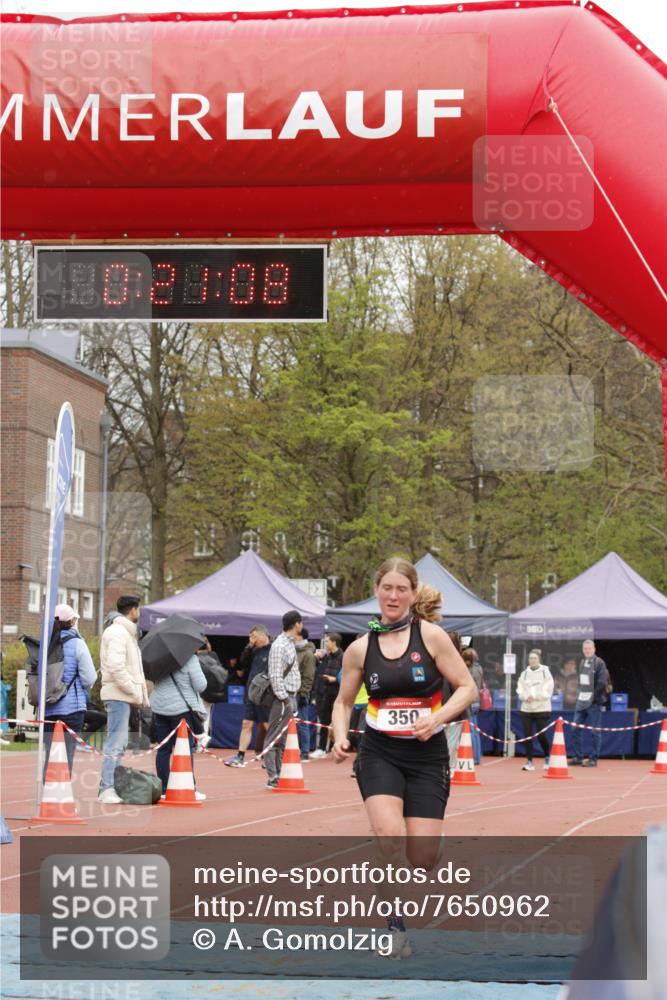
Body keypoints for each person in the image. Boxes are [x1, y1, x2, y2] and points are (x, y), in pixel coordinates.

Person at [332, 557, 477, 958]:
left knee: (422, 857)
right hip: (380, 752)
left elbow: (466, 688)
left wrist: (438, 718)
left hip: (427, 755)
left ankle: (430, 841)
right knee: (387, 836)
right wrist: (341, 734)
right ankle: (395, 928)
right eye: (387, 588)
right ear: (376, 591)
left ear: (413, 595)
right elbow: (343, 703)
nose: (393, 596)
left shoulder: (431, 637)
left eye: (401, 589)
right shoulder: (360, 649)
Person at [98, 595, 149, 804]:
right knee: (115, 743)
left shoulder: (125, 634)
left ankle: (113, 786)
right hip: (118, 694)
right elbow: (116, 667)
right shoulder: (118, 633)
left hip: (122, 695)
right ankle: (106, 787)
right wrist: (134, 691)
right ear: (133, 610)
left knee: (119, 743)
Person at [43, 604, 97, 776]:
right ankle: (61, 795)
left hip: (47, 707)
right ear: (72, 621)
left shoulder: (44, 643)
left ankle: (48, 794)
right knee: (67, 753)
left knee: (50, 754)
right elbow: (89, 677)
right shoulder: (77, 643)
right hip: (71, 708)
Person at [149, 651, 207, 799]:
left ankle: (163, 789)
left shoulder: (158, 657)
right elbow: (201, 685)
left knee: (163, 749)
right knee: (185, 749)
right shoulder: (189, 658)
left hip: (159, 707)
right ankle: (188, 787)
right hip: (181, 709)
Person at [264, 611, 302, 789]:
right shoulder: (280, 645)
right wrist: (284, 698)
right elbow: (275, 675)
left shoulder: (288, 644)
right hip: (284, 696)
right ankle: (273, 776)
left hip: (290, 695)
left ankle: (278, 773)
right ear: (296, 624)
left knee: (282, 737)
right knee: (274, 736)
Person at [224, 625, 271, 767]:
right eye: (250, 637)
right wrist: (249, 646)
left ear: (263, 635)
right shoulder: (254, 650)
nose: (252, 640)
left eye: (254, 637)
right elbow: (242, 662)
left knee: (267, 725)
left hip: (265, 693)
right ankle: (240, 756)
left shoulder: (274, 649)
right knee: (246, 723)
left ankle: (272, 756)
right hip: (251, 691)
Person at [569, 639, 609, 767]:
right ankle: (578, 757)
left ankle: (593, 759)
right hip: (581, 701)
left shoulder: (599, 663)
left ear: (594, 649)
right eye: (585, 649)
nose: (587, 651)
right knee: (574, 728)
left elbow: (602, 682)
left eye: (589, 648)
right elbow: (581, 681)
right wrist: (580, 695)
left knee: (594, 731)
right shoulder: (581, 662)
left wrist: (593, 697)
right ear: (583, 650)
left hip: (594, 702)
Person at [516, 649, 554, 771]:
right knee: (527, 735)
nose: (532, 660)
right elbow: (520, 688)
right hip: (526, 709)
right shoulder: (524, 673)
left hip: (542, 708)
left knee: (541, 735)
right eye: (531, 658)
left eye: (535, 658)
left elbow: (548, 689)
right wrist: (524, 697)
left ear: (539, 660)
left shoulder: (545, 672)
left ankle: (547, 757)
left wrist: (536, 697)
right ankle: (529, 761)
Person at [311, 632, 342, 757]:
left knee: (337, 722)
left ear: (334, 642)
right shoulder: (327, 657)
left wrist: (334, 679)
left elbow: (346, 676)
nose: (325, 643)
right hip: (325, 694)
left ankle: (337, 747)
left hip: (337, 695)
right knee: (324, 721)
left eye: (327, 641)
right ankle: (322, 748)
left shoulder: (343, 657)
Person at [196, 638, 227, 750]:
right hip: (212, 692)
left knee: (196, 717)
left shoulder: (195, 659)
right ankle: (202, 744)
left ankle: (201, 739)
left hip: (199, 692)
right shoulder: (214, 657)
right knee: (206, 717)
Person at [295, 626, 317, 762]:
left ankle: (304, 752)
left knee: (302, 723)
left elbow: (309, 676)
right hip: (291, 691)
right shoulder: (293, 650)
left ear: (300, 636)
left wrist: (304, 693)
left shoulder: (308, 654)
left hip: (301, 692)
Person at [462, 647, 483, 766]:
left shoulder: (469, 671)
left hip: (470, 702)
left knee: (471, 731)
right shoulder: (478, 668)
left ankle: (474, 757)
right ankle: (476, 756)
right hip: (476, 702)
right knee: (475, 731)